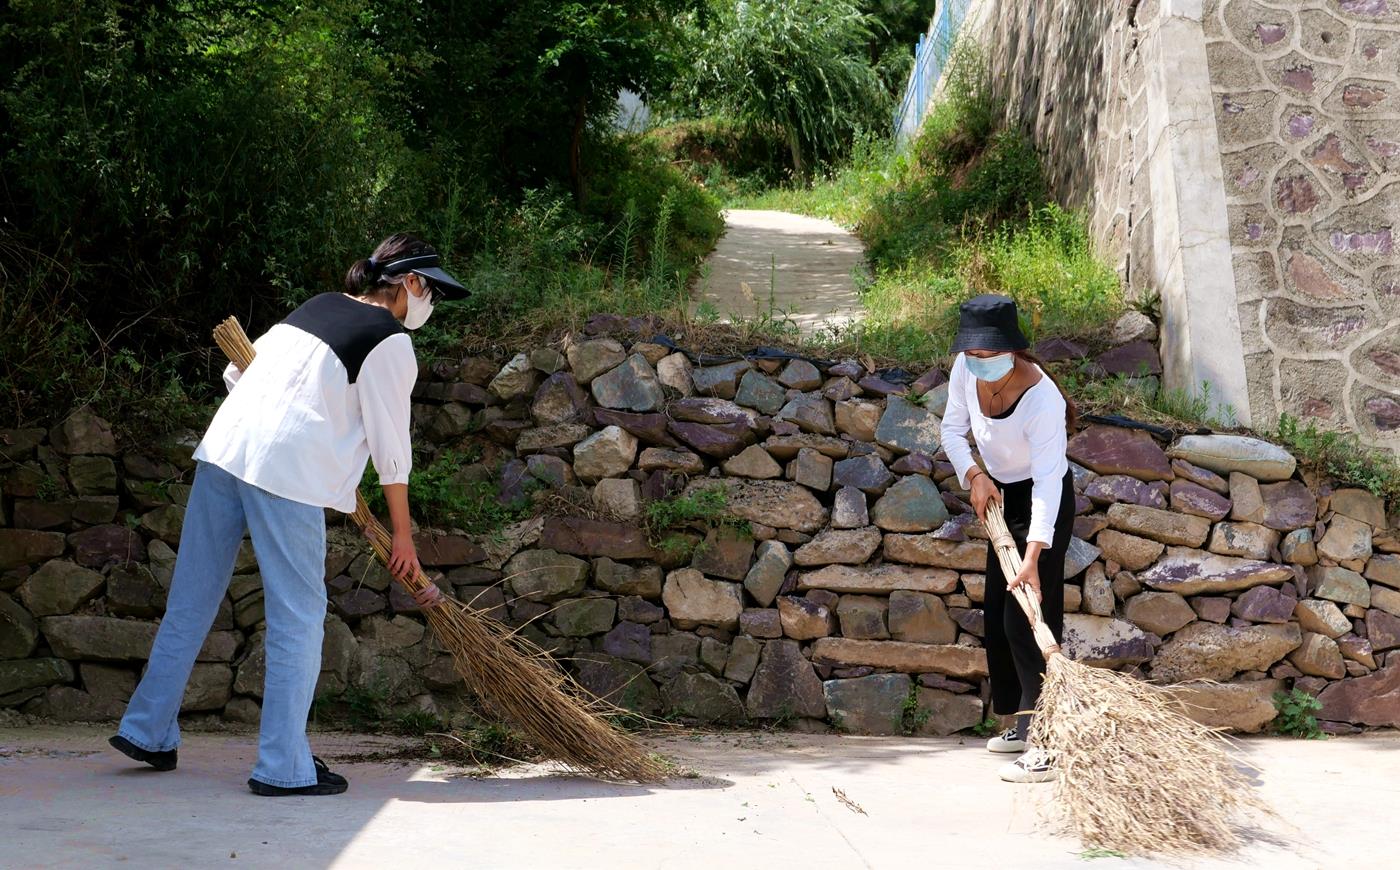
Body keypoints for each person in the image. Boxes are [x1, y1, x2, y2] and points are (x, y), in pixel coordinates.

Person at [110, 234, 467, 796]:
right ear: (412, 284)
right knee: (298, 616)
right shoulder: (391, 341)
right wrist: (403, 535)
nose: (431, 305)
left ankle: (147, 730)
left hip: (226, 447)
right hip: (287, 471)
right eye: (433, 293)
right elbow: (391, 448)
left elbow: (239, 376)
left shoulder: (316, 305)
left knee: (191, 599)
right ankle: (283, 767)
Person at [938, 294, 1077, 784]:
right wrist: (974, 474)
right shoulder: (965, 369)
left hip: (1042, 503)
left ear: (1013, 350)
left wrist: (1034, 554)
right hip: (997, 496)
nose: (978, 362)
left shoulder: (1043, 400)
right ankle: (1023, 723)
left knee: (1029, 617)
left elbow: (1048, 483)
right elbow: (951, 431)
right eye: (972, 353)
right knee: (999, 614)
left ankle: (1048, 742)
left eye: (988, 354)